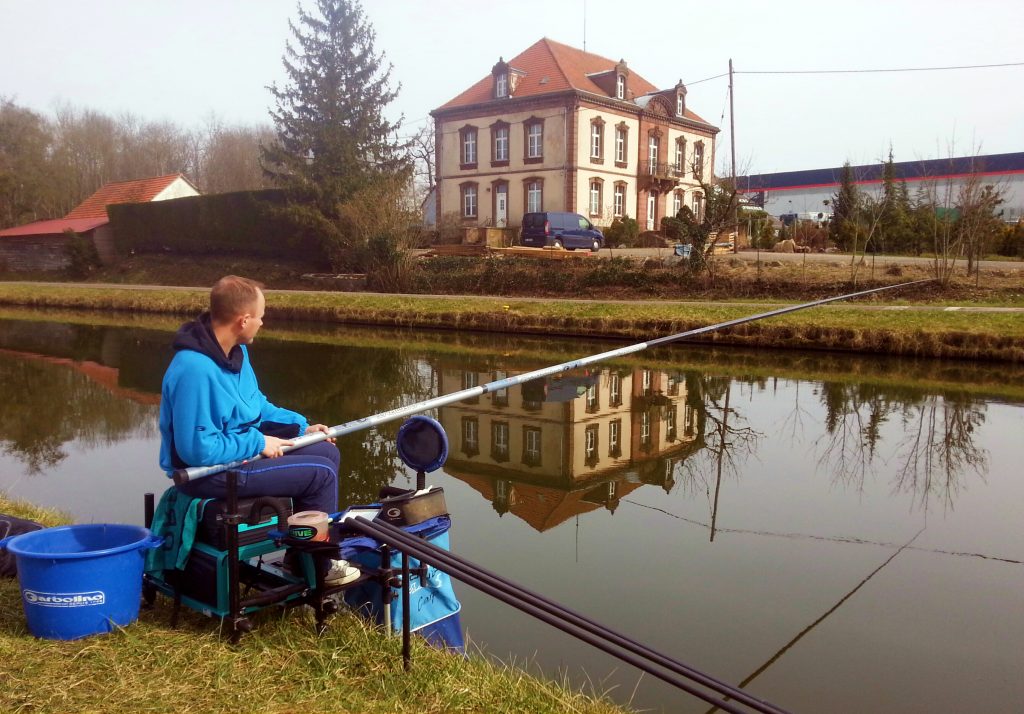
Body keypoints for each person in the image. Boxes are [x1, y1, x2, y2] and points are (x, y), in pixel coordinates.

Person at [158, 275, 357, 585]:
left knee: (325, 450)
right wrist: (257, 442)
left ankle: (298, 559)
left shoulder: (236, 353)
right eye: (260, 317)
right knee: (321, 475)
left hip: (238, 457)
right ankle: (321, 566)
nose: (262, 323)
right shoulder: (194, 369)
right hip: (207, 474)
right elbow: (196, 449)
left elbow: (257, 407)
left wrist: (302, 427)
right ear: (243, 320)